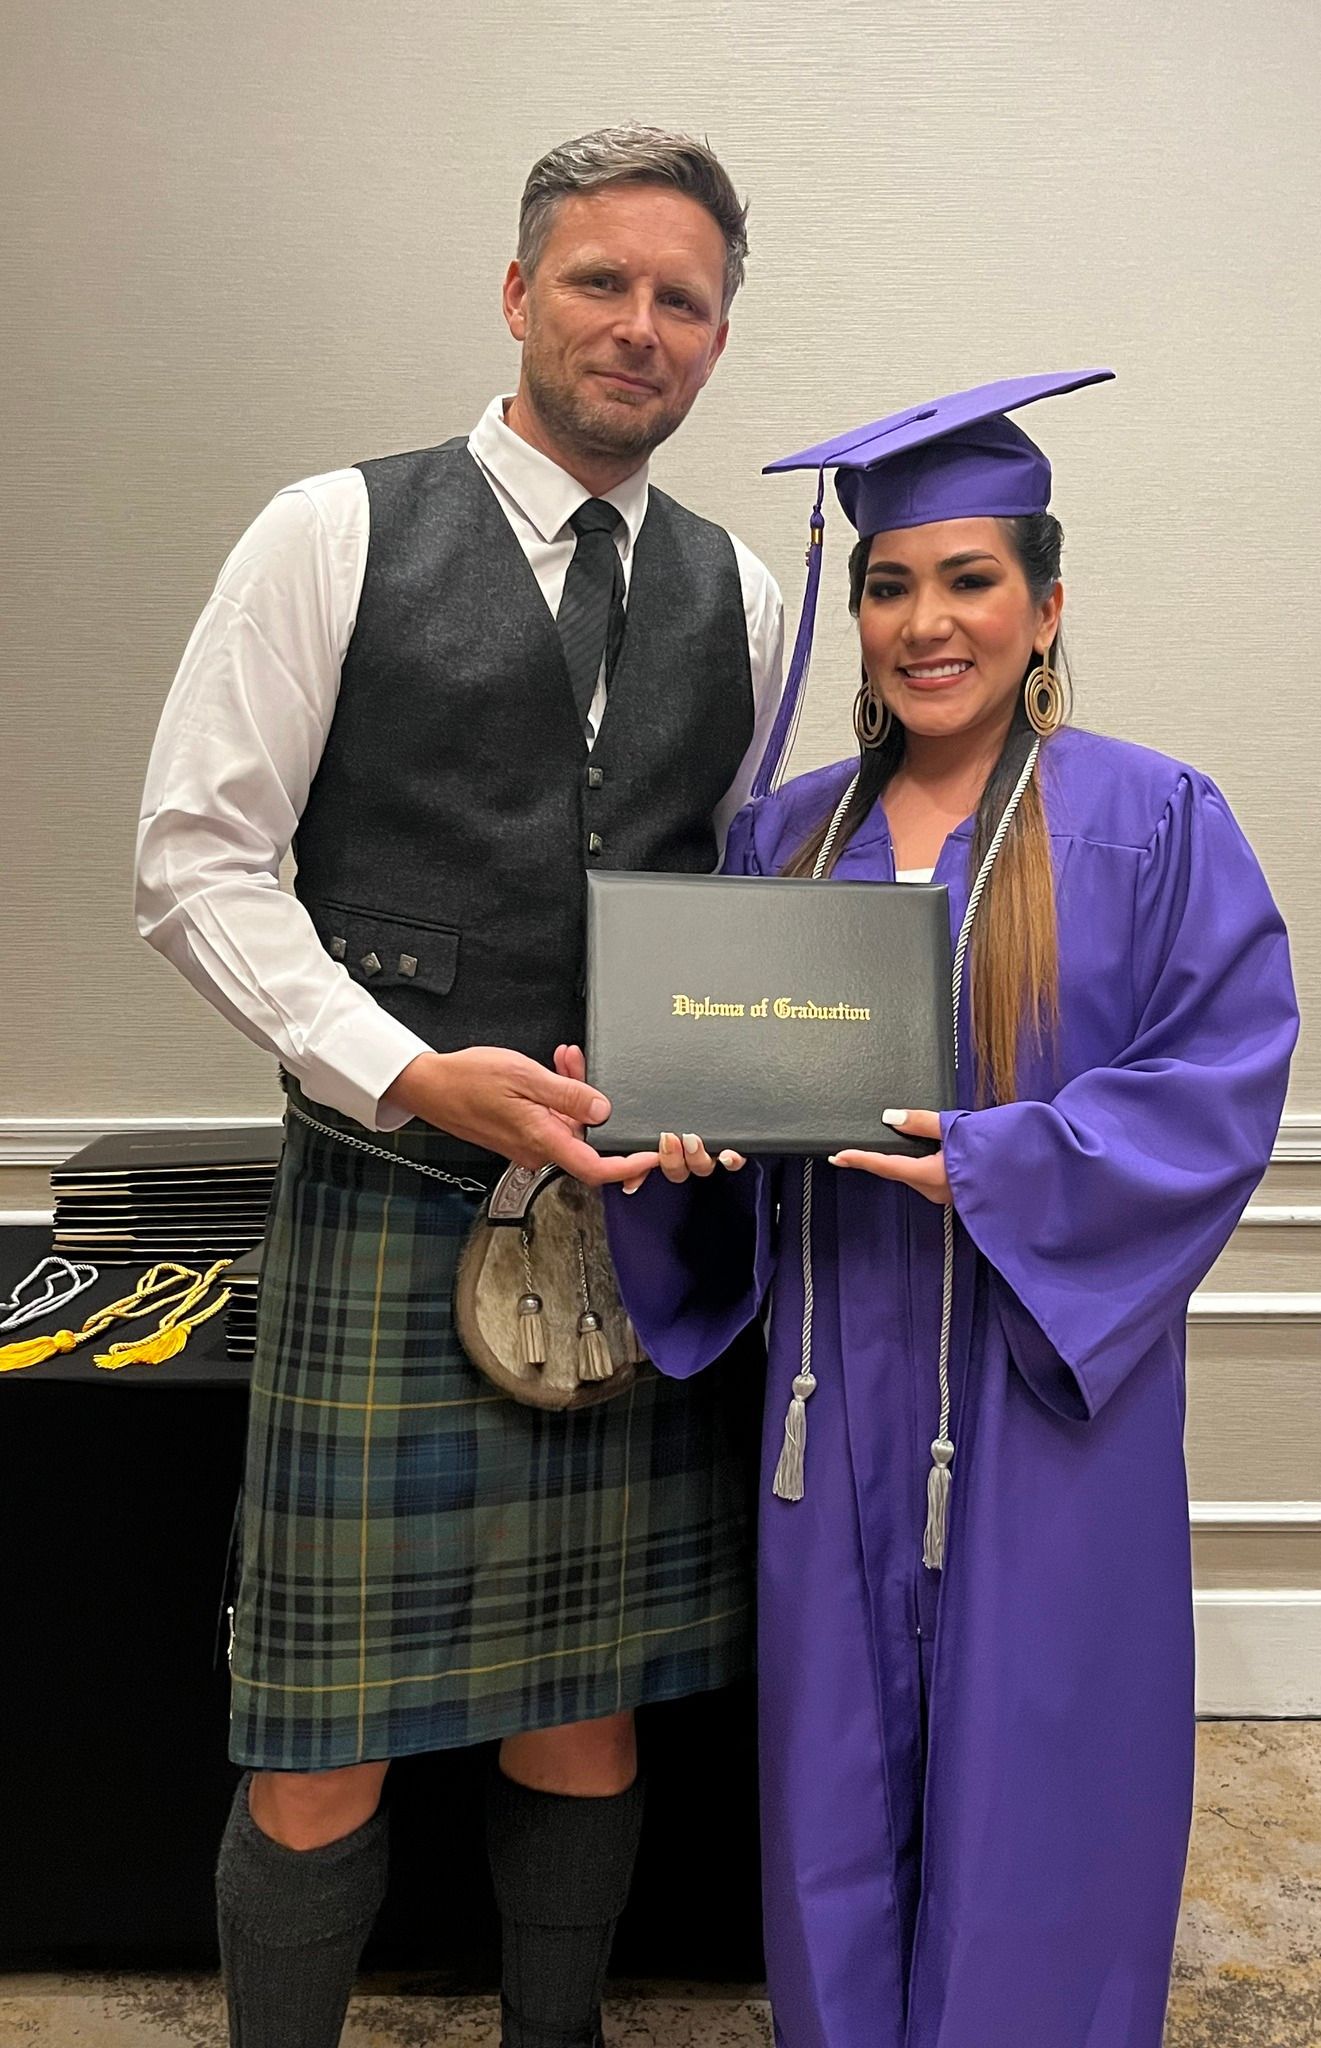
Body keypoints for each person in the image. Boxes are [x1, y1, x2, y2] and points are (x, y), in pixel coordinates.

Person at [134, 125, 784, 2048]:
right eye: (600, 281)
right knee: (318, 1742)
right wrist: (410, 1071)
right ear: (518, 295)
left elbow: (725, 916)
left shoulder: (743, 598)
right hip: (384, 1200)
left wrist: (711, 1086)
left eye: (684, 299)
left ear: (719, 337)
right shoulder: (328, 529)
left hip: (624, 1229)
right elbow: (193, 859)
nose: (638, 326)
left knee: (582, 1709)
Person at [601, 373, 1300, 2047]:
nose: (929, 623)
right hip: (830, 1402)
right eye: (891, 584)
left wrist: (1002, 1161)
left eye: (971, 579)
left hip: (1050, 1406)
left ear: (1047, 605)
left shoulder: (1150, 822)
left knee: (1044, 1808)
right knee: (831, 1816)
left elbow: (1224, 1079)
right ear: (855, 615)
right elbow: (723, 1121)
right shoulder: (785, 838)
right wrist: (678, 1147)